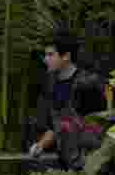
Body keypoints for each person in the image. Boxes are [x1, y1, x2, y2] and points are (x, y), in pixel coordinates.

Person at [27, 30, 107, 167]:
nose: (45, 59)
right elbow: (56, 125)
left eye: (50, 54)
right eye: (45, 55)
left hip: (90, 164)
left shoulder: (87, 84)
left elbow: (99, 125)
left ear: (66, 56)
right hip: (65, 162)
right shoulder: (51, 84)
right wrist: (40, 146)